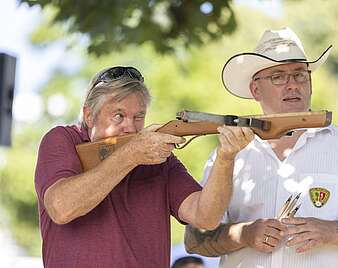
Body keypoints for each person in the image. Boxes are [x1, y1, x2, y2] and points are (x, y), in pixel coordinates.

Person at [35, 66, 254, 268]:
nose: (130, 127)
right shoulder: (63, 139)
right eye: (119, 116)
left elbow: (206, 217)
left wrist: (226, 157)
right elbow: (61, 208)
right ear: (89, 116)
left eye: (138, 116)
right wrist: (130, 155)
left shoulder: (158, 159)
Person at [184, 27, 338, 268]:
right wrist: (244, 234)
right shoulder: (228, 153)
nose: (292, 85)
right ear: (255, 89)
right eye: (278, 76)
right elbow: (195, 240)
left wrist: (331, 231)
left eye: (299, 74)